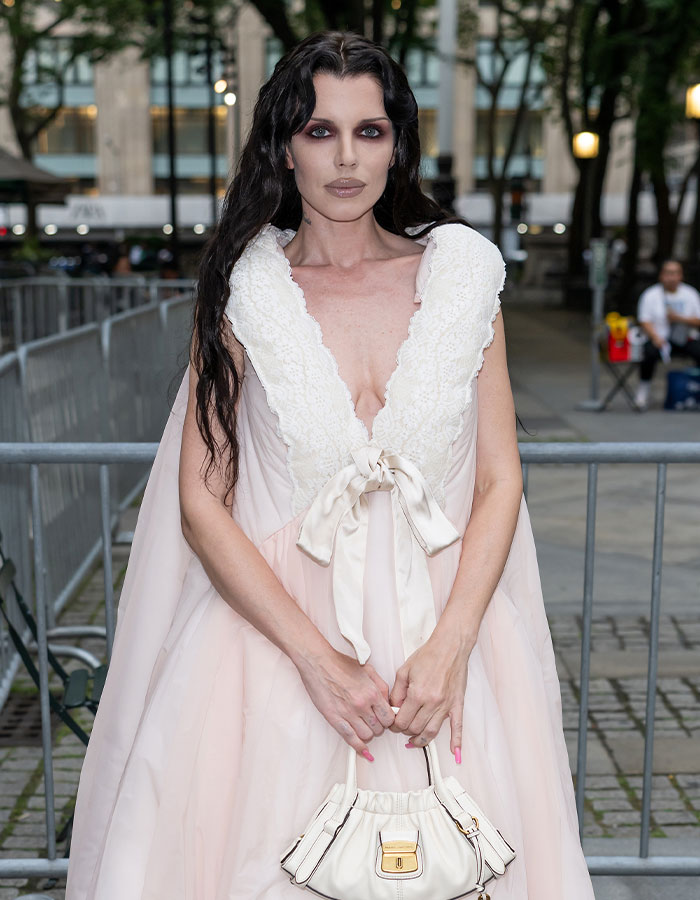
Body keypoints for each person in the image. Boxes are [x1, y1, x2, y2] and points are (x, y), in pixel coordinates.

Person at [65, 31, 595, 899]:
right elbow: (201, 502)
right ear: (283, 146)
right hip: (273, 653)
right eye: (319, 132)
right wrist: (318, 662)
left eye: (370, 131)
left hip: (447, 639)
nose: (347, 158)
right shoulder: (249, 289)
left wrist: (454, 644)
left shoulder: (463, 277)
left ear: (398, 144)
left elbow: (501, 480)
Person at [634, 259, 700, 410]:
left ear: (681, 276)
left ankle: (694, 390)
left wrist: (679, 318)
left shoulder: (690, 294)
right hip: (659, 339)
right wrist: (655, 337)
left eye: (676, 273)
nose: (672, 277)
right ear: (662, 275)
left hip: (685, 338)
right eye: (669, 273)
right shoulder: (651, 295)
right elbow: (644, 320)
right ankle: (643, 390)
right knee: (648, 353)